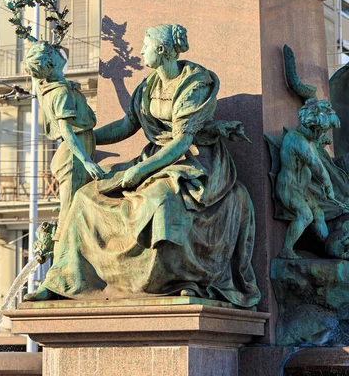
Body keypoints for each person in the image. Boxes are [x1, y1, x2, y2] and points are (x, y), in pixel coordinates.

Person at [25, 25, 260, 308]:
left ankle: (175, 279)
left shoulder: (196, 83)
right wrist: (81, 139)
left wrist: (140, 171)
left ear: (160, 51)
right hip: (155, 159)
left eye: (145, 46)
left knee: (161, 197)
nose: (140, 51)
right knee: (86, 196)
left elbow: (182, 142)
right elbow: (127, 126)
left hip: (197, 163)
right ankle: (66, 280)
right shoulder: (147, 86)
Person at [24, 42, 104, 246]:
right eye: (53, 52)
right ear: (51, 62)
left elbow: (37, 77)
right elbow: (66, 131)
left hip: (76, 153)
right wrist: (86, 161)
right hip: (72, 160)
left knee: (78, 213)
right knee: (68, 218)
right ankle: (62, 269)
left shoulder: (53, 87)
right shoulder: (60, 93)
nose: (59, 52)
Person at [275, 98, 346, 260]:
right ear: (310, 126)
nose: (322, 135)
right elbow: (315, 165)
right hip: (289, 189)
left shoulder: (308, 139)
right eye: (321, 132)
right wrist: (328, 186)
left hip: (303, 189)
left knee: (319, 214)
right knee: (306, 216)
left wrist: (322, 140)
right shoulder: (296, 139)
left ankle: (327, 248)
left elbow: (316, 148)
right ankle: (286, 249)